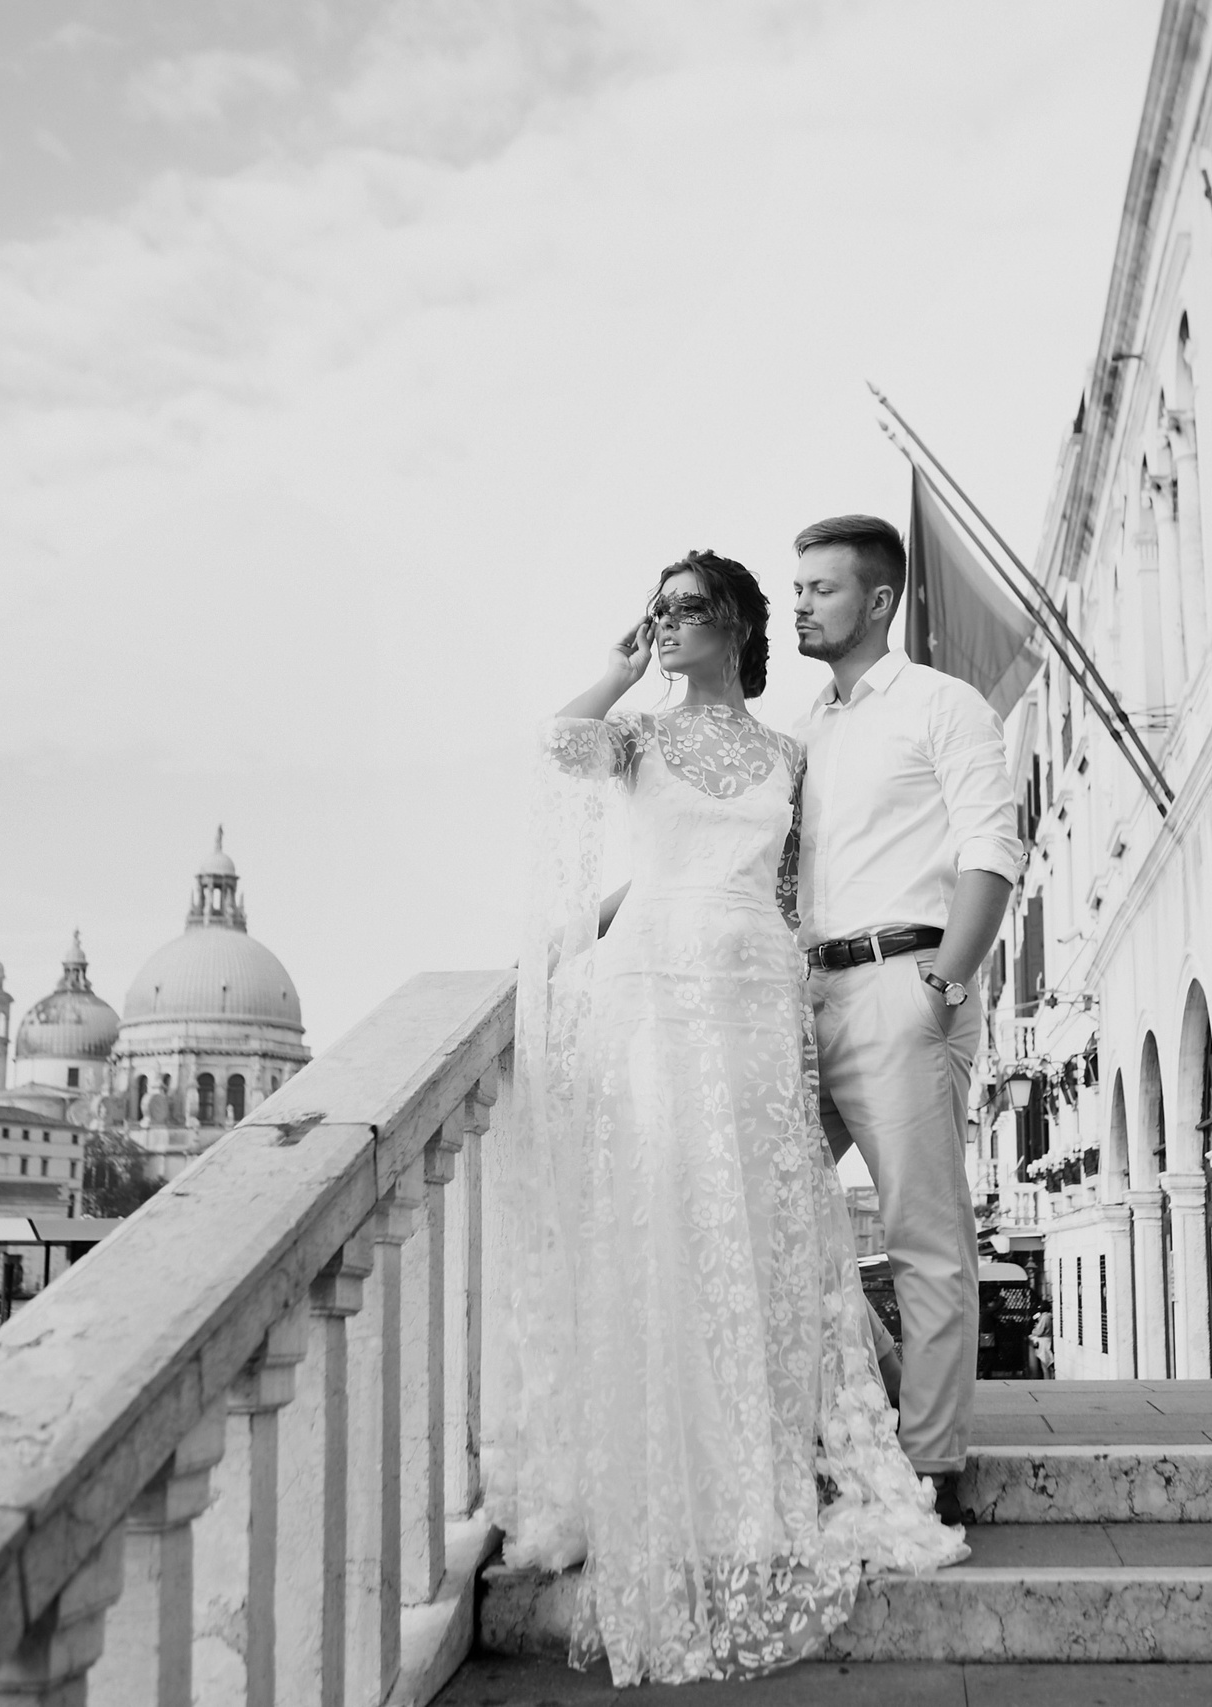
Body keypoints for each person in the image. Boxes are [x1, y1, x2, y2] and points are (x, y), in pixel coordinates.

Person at [487, 550, 964, 1689]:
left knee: (754, 1228)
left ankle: (753, 1471)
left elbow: (794, 889)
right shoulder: (638, 742)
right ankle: (661, 1475)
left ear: (740, 624)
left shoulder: (789, 754)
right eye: (658, 610)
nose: (667, 624)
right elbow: (556, 746)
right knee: (662, 1223)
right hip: (652, 995)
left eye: (688, 609)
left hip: (756, 995)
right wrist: (611, 671)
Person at [789, 514, 1023, 1524]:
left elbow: (991, 853)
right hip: (808, 995)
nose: (798, 601)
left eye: (819, 587)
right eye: (794, 587)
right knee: (766, 1213)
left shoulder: (944, 705)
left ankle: (931, 1465)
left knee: (925, 1237)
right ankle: (866, 1401)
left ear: (877, 600)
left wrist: (950, 985)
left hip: (906, 980)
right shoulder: (805, 726)